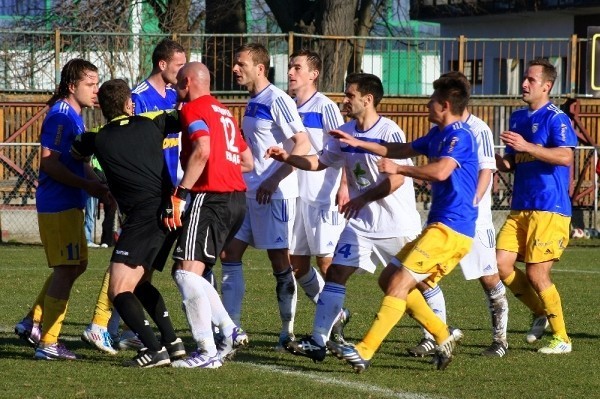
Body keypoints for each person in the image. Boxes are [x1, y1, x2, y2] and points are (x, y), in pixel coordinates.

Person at [325, 74, 478, 372]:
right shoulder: (437, 135)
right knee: (388, 279)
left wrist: (399, 170)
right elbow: (399, 150)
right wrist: (358, 142)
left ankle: (365, 350)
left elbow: (441, 172)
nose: (427, 104)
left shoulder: (460, 135)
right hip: (440, 226)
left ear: (445, 105)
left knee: (397, 284)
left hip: (453, 229)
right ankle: (443, 335)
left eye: (432, 100)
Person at [265, 72, 422, 362]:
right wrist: (288, 159)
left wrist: (361, 197)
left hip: (394, 223)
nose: (344, 100)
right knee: (336, 273)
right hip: (362, 223)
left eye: (349, 95)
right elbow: (320, 162)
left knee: (417, 282)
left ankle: (438, 334)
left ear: (368, 99)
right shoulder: (345, 131)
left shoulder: (389, 132)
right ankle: (318, 340)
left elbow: (398, 180)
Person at [81, 38, 187, 353]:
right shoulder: (141, 102)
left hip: (158, 198)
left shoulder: (169, 96)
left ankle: (137, 336)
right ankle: (109, 327)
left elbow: (81, 150)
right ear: (162, 64)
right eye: (179, 66)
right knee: (131, 276)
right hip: (154, 201)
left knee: (130, 277)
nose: (182, 74)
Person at [406, 71, 509, 358]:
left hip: (474, 218)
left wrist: (473, 203)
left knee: (488, 278)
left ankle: (500, 340)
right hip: (445, 217)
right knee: (423, 275)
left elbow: (487, 169)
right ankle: (434, 335)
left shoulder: (478, 129)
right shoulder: (440, 130)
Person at [13, 58, 108, 360]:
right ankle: (49, 343)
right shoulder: (61, 116)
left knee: (76, 265)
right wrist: (86, 186)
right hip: (58, 206)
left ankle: (32, 321)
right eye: (90, 84)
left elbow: (80, 163)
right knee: (67, 269)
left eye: (97, 83)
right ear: (72, 86)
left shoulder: (76, 117)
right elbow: (49, 161)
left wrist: (100, 187)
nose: (96, 90)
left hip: (71, 205)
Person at [219, 42, 311, 349]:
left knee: (280, 263)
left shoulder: (278, 99)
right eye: (235, 63)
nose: (235, 69)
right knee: (229, 253)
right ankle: (230, 328)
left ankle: (287, 331)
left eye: (240, 64)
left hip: (275, 196)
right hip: (249, 193)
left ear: (260, 68)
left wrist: (273, 179)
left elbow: (302, 143)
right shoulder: (252, 100)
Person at [165, 62, 253, 368]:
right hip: (236, 200)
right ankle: (228, 332)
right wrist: (221, 166)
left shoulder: (194, 108)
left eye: (178, 85)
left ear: (188, 82)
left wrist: (180, 193)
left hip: (211, 198)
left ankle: (205, 350)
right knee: (194, 273)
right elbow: (247, 161)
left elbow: (202, 149)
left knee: (185, 274)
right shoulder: (224, 111)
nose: (176, 92)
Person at [495, 58, 576, 354]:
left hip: (549, 207)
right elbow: (511, 162)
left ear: (547, 86)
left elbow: (566, 157)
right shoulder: (517, 118)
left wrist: (527, 147)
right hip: (521, 206)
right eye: (524, 79)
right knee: (500, 264)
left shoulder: (557, 118)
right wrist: (492, 163)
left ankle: (562, 338)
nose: (524, 84)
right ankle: (540, 311)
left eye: (531, 80)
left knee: (536, 273)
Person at [286, 49, 350, 342]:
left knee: (326, 263)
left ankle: (328, 322)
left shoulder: (325, 107)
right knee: (296, 263)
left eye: (297, 68)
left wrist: (345, 185)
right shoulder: (288, 106)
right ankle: (335, 314)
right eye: (290, 67)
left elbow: (345, 148)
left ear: (314, 74)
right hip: (298, 197)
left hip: (323, 197)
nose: (290, 72)